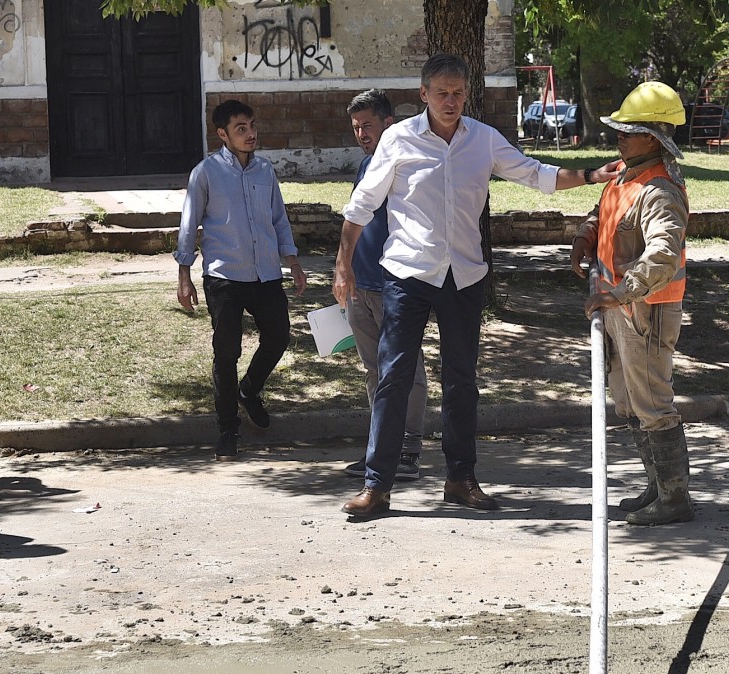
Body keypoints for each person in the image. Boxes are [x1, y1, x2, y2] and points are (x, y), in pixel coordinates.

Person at [333, 53, 617, 518]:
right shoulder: (400, 140)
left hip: (463, 277)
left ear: (467, 94)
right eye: (441, 93)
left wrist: (589, 175)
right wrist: (344, 267)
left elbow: (536, 175)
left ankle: (460, 479)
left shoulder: (482, 140)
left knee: (462, 381)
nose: (451, 101)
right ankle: (377, 486)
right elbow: (359, 209)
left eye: (458, 93)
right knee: (393, 380)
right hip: (408, 276)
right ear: (423, 94)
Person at [570, 82, 694, 526]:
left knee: (652, 403)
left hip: (645, 308)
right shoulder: (626, 173)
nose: (620, 135)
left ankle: (675, 500)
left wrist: (620, 292)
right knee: (628, 401)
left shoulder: (660, 190)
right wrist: (586, 234)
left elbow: (661, 254)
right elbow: (605, 210)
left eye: (631, 129)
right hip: (619, 307)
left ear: (656, 136)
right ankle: (657, 488)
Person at [175, 99, 307, 461]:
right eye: (240, 129)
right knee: (226, 353)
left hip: (265, 272)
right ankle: (227, 429)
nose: (250, 135)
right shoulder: (205, 173)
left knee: (279, 336)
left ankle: (250, 391)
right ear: (223, 134)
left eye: (251, 126)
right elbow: (189, 225)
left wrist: (292, 262)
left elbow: (279, 218)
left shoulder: (265, 170)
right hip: (224, 274)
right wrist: (184, 274)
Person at [340, 89, 430, 482]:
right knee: (374, 370)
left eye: (368, 126)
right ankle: (381, 447)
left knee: (406, 370)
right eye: (356, 127)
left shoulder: (406, 164)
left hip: (395, 283)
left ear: (388, 124)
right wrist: (344, 269)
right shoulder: (365, 166)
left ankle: (408, 448)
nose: (362, 134)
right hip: (360, 285)